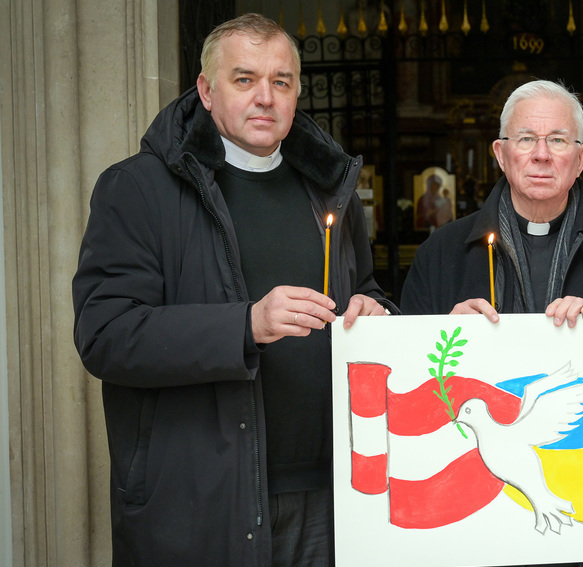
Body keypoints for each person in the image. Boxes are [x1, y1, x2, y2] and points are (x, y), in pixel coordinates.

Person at [72, 14, 396, 566]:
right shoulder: (137, 188)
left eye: (282, 82)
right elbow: (106, 334)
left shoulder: (329, 189)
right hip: (205, 494)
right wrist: (246, 325)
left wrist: (374, 308)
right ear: (205, 90)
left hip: (331, 490)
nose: (265, 98)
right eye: (244, 79)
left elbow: (362, 287)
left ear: (297, 92)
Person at [400, 79, 583, 325]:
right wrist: (438, 334)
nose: (541, 154)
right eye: (526, 138)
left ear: (582, 159)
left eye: (557, 140)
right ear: (501, 155)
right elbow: (405, 368)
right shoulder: (437, 256)